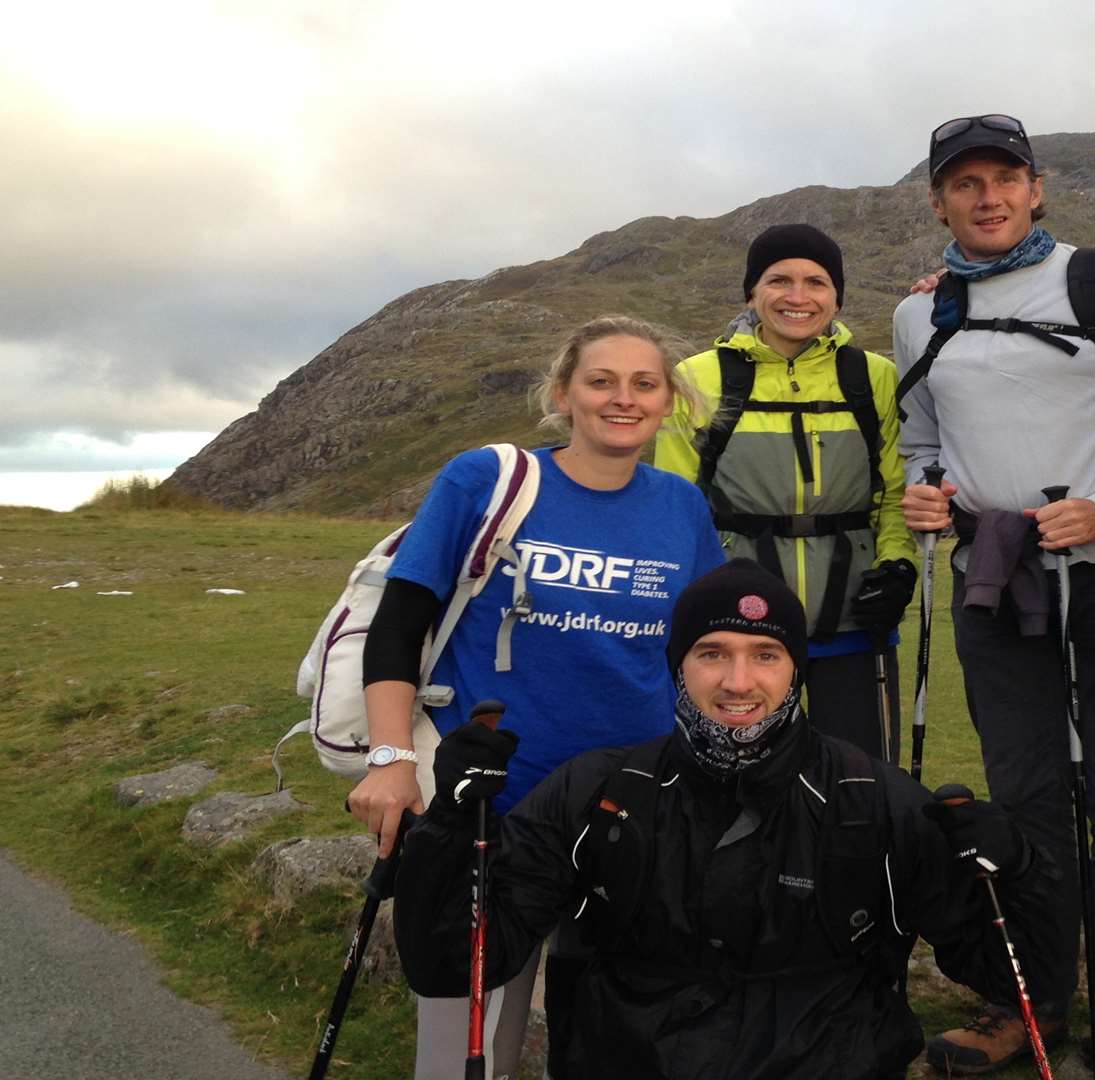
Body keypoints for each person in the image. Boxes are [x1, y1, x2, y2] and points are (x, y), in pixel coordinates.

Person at [392, 559, 1053, 1080]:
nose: (739, 682)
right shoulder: (597, 792)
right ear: (677, 666)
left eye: (765, 655)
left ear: (796, 670)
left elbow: (1022, 978)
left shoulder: (876, 803)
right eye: (712, 653)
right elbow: (452, 966)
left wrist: (1020, 872)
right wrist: (450, 827)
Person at [892, 112, 1095, 1077]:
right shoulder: (920, 312)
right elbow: (921, 434)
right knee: (1024, 793)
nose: (988, 197)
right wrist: (925, 490)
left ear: (1038, 188)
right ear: (940, 198)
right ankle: (1027, 990)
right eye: (965, 183)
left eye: (1005, 178)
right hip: (997, 580)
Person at [347, 314, 727, 1078]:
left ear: (668, 403)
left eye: (644, 384)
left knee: (622, 1043)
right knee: (464, 1054)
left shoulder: (682, 507)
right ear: (563, 394)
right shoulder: (484, 482)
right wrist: (390, 759)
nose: (623, 399)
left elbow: (701, 651)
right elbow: (398, 626)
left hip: (632, 813)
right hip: (492, 809)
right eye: (601, 381)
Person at [655, 224, 915, 762]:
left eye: (816, 283)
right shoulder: (698, 378)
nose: (799, 297)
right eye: (779, 280)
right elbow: (677, 506)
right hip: (739, 635)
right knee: (736, 774)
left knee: (855, 777)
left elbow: (895, 491)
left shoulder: (874, 377)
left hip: (851, 618)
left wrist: (897, 565)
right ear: (752, 293)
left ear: (837, 297)